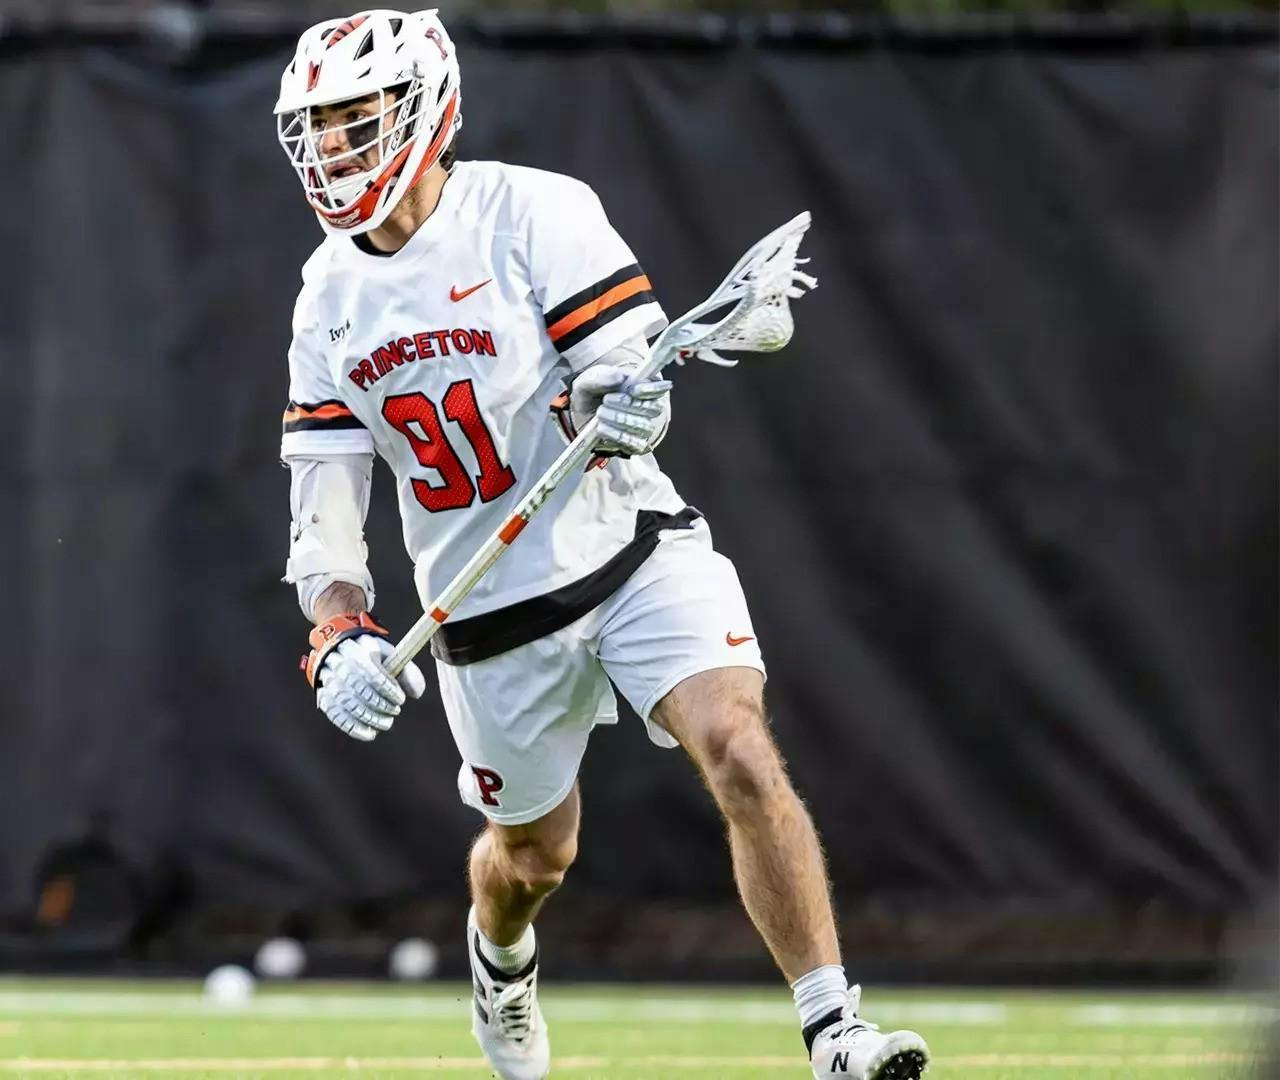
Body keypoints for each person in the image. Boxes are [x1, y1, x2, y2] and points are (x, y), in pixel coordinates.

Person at [273, 10, 931, 1080]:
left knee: (740, 746)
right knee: (532, 860)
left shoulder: (533, 210)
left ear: (426, 109)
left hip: (628, 550)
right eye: (319, 127)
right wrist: (337, 632)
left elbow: (618, 374)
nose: (335, 148)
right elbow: (325, 506)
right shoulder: (326, 296)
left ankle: (834, 1032)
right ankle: (501, 959)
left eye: (356, 119)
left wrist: (617, 405)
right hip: (485, 612)